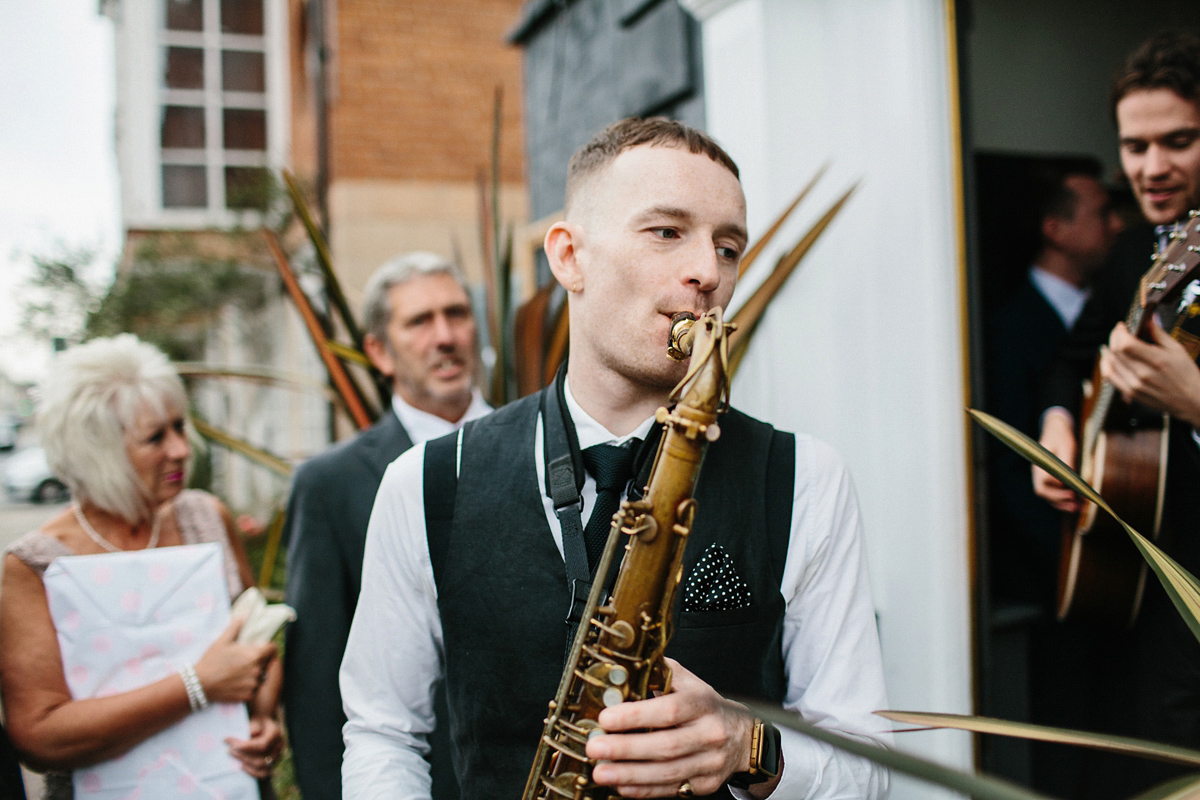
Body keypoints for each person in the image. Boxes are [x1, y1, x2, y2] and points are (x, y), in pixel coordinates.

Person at [341, 117, 890, 799]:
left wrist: (752, 747)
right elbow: (383, 732)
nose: (706, 273)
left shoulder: (807, 478)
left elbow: (867, 763)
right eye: (666, 232)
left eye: (728, 246)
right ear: (569, 256)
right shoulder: (424, 482)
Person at [0, 334, 281, 799]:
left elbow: (256, 650)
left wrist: (264, 720)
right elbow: (39, 736)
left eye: (179, 426)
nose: (181, 449)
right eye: (156, 437)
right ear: (97, 450)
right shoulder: (36, 565)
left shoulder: (207, 518)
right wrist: (197, 685)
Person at [1033, 31, 1200, 793]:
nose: (1152, 167)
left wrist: (1191, 399)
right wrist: (1057, 431)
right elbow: (1070, 363)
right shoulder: (1139, 255)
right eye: (1135, 146)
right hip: (1133, 580)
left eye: (1179, 141)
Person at [282, 252, 489, 800]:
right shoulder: (329, 483)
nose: (444, 336)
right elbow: (317, 688)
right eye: (419, 321)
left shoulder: (546, 445)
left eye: (456, 314)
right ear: (378, 350)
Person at [985, 160, 1123, 605]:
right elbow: (1007, 466)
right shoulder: (1008, 327)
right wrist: (1076, 563)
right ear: (1055, 230)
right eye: (1102, 213)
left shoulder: (1114, 306)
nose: (1118, 225)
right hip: (1058, 578)